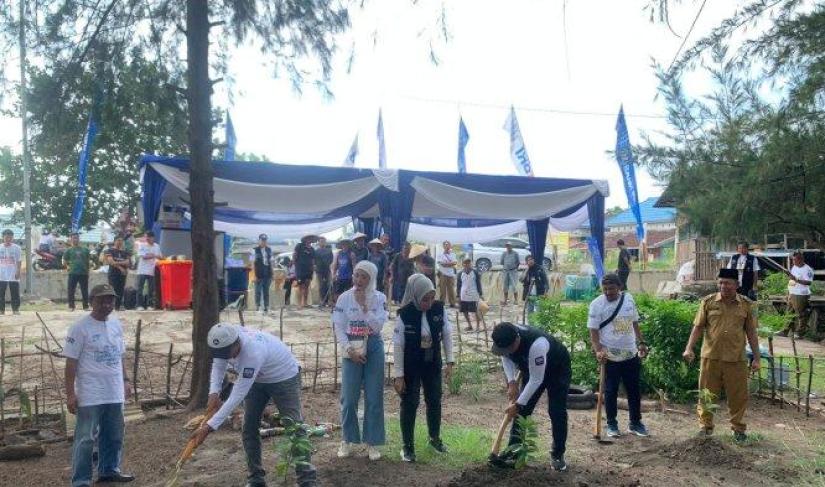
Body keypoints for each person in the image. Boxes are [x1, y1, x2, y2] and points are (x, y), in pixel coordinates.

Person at [191, 323, 317, 487]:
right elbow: (218, 364)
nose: (225, 356)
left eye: (227, 353)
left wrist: (209, 426)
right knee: (249, 427)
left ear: (236, 343)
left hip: (283, 377)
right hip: (257, 380)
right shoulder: (224, 340)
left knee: (294, 427)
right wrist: (213, 393)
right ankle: (256, 479)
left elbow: (238, 394)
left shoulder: (252, 352)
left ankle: (307, 480)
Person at [64, 284, 134, 486]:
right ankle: (81, 480)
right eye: (102, 300)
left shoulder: (115, 324)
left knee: (113, 434)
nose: (107, 304)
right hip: (90, 392)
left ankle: (109, 470)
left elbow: (120, 356)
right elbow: (71, 363)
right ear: (91, 301)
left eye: (110, 300)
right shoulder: (80, 327)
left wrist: (126, 380)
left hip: (114, 391)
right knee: (85, 439)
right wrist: (70, 393)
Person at [683, 268, 761, 442]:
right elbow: (697, 327)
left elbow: (752, 333)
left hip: (736, 358)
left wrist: (757, 358)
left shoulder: (747, 305)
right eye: (721, 282)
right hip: (711, 356)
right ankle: (705, 427)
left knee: (738, 396)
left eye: (728, 283)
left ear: (737, 285)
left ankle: (738, 429)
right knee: (706, 393)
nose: (723, 286)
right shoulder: (708, 302)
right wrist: (689, 348)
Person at [492, 322, 571, 472]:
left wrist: (518, 404)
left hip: (557, 369)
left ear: (516, 341)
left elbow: (536, 379)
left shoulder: (537, 345)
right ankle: (514, 452)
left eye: (508, 349)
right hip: (532, 368)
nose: (505, 352)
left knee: (556, 411)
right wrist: (512, 382)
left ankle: (558, 454)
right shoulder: (506, 336)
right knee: (522, 412)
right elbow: (505, 356)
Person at [393, 274, 455, 462]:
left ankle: (434, 439)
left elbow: (447, 334)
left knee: (434, 399)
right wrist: (399, 375)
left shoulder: (438, 308)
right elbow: (398, 345)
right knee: (410, 402)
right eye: (424, 299)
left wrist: (450, 361)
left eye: (431, 298)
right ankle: (408, 446)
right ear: (415, 296)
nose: (428, 303)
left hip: (432, 361)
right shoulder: (404, 314)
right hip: (411, 363)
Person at [332, 260, 388, 461]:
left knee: (374, 397)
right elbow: (338, 326)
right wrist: (349, 349)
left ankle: (372, 442)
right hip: (351, 347)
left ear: (371, 278)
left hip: (373, 346)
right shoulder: (344, 298)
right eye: (357, 275)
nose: (359, 280)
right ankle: (347, 439)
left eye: (364, 276)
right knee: (349, 398)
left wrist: (365, 307)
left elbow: (378, 327)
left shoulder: (379, 298)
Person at [587, 273, 650, 438]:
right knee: (611, 390)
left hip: (630, 353)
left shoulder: (628, 300)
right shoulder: (596, 305)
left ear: (620, 287)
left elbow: (634, 323)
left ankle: (635, 423)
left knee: (634, 390)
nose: (608, 292)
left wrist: (641, 343)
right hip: (610, 355)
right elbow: (593, 332)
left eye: (612, 289)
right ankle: (612, 424)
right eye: (605, 289)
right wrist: (598, 350)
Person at [781, 251, 815, 338]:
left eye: (795, 260)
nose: (793, 262)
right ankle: (785, 331)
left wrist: (796, 279)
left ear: (801, 259)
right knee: (788, 313)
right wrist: (788, 292)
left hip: (801, 294)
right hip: (792, 293)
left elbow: (808, 282)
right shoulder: (794, 267)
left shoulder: (808, 269)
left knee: (801, 314)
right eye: (793, 260)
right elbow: (791, 280)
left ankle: (800, 333)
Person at [63, 232, 91, 311]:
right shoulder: (68, 250)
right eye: (74, 238)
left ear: (79, 239)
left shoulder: (85, 250)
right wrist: (68, 267)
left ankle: (85, 306)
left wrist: (88, 271)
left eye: (77, 238)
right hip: (73, 272)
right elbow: (64, 261)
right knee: (71, 290)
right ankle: (71, 306)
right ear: (71, 239)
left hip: (83, 273)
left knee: (84, 290)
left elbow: (88, 261)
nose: (75, 239)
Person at [135, 231, 162, 311]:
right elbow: (144, 256)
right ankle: (139, 305)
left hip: (151, 270)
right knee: (140, 288)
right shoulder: (142, 245)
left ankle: (149, 305)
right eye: (145, 237)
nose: (146, 238)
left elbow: (160, 256)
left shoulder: (157, 246)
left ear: (152, 238)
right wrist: (154, 255)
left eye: (148, 237)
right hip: (142, 270)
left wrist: (153, 256)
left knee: (151, 289)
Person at [104, 235, 131, 311]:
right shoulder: (110, 251)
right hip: (113, 274)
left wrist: (118, 263)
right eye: (118, 240)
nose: (120, 242)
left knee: (120, 290)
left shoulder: (125, 252)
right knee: (112, 290)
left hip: (122, 274)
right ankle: (110, 306)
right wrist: (121, 267)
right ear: (114, 241)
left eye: (121, 241)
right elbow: (111, 262)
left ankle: (118, 306)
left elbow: (128, 262)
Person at [457, 258, 483, 331]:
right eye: (465, 263)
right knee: (464, 311)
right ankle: (469, 325)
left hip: (473, 294)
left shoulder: (475, 272)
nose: (467, 265)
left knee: (475, 311)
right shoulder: (460, 273)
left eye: (468, 263)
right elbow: (458, 285)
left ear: (471, 264)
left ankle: (478, 326)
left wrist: (480, 293)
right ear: (463, 264)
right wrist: (458, 296)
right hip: (463, 295)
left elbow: (478, 283)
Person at [0, 229, 22, 315]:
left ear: (12, 238)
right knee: (1, 293)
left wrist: (18, 271)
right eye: (6, 237)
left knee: (15, 292)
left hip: (13, 273)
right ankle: (1, 310)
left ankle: (15, 309)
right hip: (1, 274)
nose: (8, 239)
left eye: (10, 237)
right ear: (3, 237)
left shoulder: (17, 248)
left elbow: (19, 260)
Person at [521, 255, 549, 321]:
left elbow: (546, 283)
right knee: (530, 313)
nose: (530, 261)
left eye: (531, 259)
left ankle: (539, 328)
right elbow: (521, 280)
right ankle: (530, 328)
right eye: (528, 260)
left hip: (539, 295)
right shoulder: (526, 270)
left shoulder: (540, 269)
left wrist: (545, 293)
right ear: (526, 262)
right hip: (529, 296)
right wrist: (526, 270)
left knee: (539, 312)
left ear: (534, 260)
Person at [251, 234, 273, 314]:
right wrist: (254, 275)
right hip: (258, 273)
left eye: (265, 240)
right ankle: (257, 307)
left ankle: (266, 307)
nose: (264, 241)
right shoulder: (254, 250)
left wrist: (272, 273)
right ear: (259, 241)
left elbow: (271, 262)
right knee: (258, 291)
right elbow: (252, 263)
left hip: (267, 273)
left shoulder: (269, 250)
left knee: (266, 291)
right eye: (262, 240)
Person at [293, 235, 316, 309]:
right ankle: (299, 304)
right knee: (300, 286)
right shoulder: (299, 246)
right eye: (309, 238)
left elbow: (313, 260)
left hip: (308, 270)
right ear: (305, 239)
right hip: (300, 269)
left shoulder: (312, 249)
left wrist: (313, 268)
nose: (310, 240)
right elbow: (294, 255)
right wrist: (295, 264)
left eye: (311, 239)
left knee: (306, 286)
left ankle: (305, 303)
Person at [314, 237, 334, 307]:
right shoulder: (316, 251)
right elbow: (314, 261)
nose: (322, 242)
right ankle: (322, 301)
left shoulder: (329, 250)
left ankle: (330, 301)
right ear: (318, 243)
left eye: (323, 241)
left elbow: (331, 260)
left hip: (327, 270)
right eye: (321, 241)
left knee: (329, 285)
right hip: (319, 271)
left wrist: (327, 264)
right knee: (321, 286)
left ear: (325, 242)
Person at [437, 241, 458, 308]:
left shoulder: (453, 254)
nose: (447, 246)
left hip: (451, 275)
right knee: (442, 290)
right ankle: (441, 303)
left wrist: (447, 264)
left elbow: (455, 263)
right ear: (443, 246)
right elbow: (442, 264)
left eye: (448, 244)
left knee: (451, 290)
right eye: (445, 245)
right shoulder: (440, 254)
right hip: (443, 274)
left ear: (450, 246)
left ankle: (452, 303)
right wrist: (450, 264)